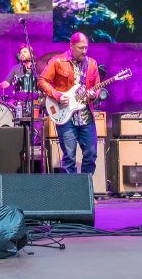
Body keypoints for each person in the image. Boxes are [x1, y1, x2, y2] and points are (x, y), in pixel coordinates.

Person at [37, 32, 100, 175]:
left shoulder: (92, 63)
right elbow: (42, 81)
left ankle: (86, 191)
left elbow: (97, 85)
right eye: (80, 48)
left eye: (86, 48)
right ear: (71, 46)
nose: (84, 51)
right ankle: (70, 194)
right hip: (65, 115)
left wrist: (93, 94)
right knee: (69, 158)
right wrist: (57, 95)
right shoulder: (57, 61)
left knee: (91, 154)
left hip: (85, 115)